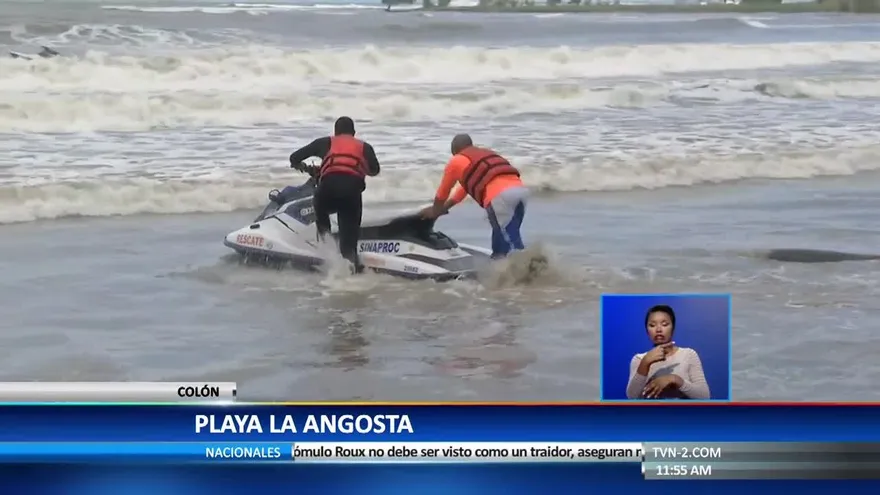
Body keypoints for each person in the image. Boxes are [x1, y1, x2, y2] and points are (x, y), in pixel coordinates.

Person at [288, 117, 381, 273]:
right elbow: (374, 170)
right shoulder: (365, 147)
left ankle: (326, 247)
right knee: (349, 242)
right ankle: (351, 268)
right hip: (352, 194)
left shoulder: (325, 142)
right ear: (353, 133)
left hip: (327, 191)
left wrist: (306, 168)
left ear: (335, 132)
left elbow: (294, 158)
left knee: (320, 209)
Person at [420, 134, 528, 259]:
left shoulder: (457, 160)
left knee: (509, 240)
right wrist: (445, 207)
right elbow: (464, 189)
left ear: (454, 149)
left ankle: (526, 268)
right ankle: (502, 266)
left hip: (500, 197)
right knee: (506, 235)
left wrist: (435, 211)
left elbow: (443, 191)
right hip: (520, 192)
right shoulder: (484, 153)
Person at [625, 305, 711, 400]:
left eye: (665, 324)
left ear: (673, 328)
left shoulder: (688, 354)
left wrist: (675, 379)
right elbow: (632, 398)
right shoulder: (639, 359)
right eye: (652, 325)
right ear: (647, 331)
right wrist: (645, 363)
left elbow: (704, 396)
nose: (658, 330)